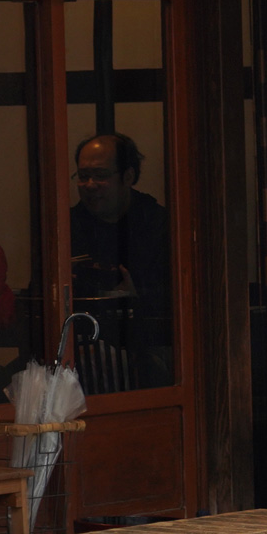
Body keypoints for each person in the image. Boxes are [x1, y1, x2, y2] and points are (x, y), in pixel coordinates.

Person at [69, 133, 172, 386]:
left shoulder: (159, 224)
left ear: (128, 176)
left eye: (101, 176)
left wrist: (136, 296)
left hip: (148, 347)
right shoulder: (66, 226)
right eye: (83, 176)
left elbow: (180, 299)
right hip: (77, 347)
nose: (90, 185)